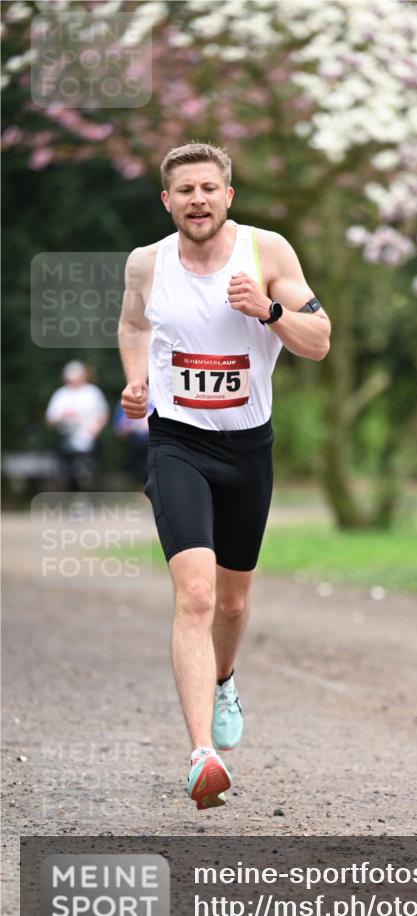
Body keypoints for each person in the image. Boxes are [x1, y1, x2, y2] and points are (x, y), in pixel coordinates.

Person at [118, 142, 331, 810]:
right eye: (185, 190)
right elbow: (132, 323)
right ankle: (201, 753)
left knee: (233, 604)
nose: (198, 200)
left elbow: (320, 341)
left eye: (208, 188)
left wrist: (268, 311)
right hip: (177, 443)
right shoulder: (147, 262)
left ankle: (225, 678)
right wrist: (136, 381)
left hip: (247, 450)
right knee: (196, 595)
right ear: (167, 201)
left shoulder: (267, 253)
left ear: (228, 196)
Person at [45, 360, 109, 492]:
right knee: (66, 475)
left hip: (89, 441)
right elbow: (50, 420)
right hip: (65, 439)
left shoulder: (93, 392)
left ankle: (88, 498)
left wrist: (95, 429)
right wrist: (62, 416)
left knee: (88, 473)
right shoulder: (61, 394)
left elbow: (103, 415)